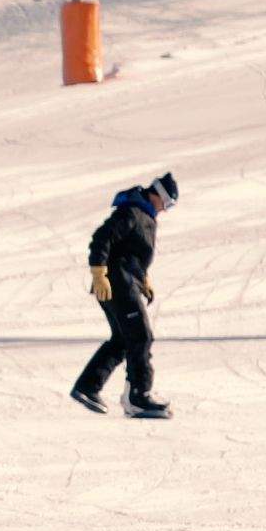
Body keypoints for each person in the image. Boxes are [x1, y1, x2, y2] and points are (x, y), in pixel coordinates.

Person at [72, 174, 178, 418]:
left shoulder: (144, 215)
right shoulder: (132, 212)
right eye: (168, 203)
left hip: (123, 282)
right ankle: (138, 396)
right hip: (117, 283)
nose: (166, 209)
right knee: (141, 336)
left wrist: (143, 278)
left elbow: (131, 252)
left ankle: (88, 387)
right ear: (158, 195)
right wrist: (99, 272)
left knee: (123, 340)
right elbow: (102, 238)